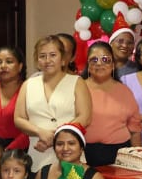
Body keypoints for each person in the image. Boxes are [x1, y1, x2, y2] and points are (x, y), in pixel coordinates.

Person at [14, 35, 92, 171]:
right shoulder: (28, 84)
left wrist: (56, 137)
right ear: (37, 61)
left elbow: (85, 117)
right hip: (38, 152)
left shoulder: (77, 82)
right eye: (42, 56)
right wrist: (39, 131)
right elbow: (18, 118)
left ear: (62, 59)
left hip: (70, 153)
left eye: (53, 55)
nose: (47, 60)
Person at [81, 41, 142, 167]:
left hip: (119, 155)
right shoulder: (78, 88)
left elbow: (135, 130)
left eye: (105, 59)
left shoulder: (124, 91)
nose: (99, 63)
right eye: (94, 60)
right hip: (83, 154)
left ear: (113, 65)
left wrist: (138, 163)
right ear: (88, 65)